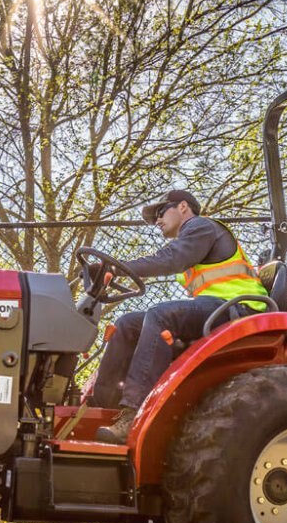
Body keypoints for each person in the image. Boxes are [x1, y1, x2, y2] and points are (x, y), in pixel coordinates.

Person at [91, 189, 269, 443]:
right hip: (216, 307)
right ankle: (103, 406)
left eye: (161, 212)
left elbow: (171, 259)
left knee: (160, 315)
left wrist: (118, 268)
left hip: (239, 309)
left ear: (183, 207)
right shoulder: (194, 239)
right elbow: (169, 260)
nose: (157, 221)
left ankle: (133, 414)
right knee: (127, 324)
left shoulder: (201, 226)